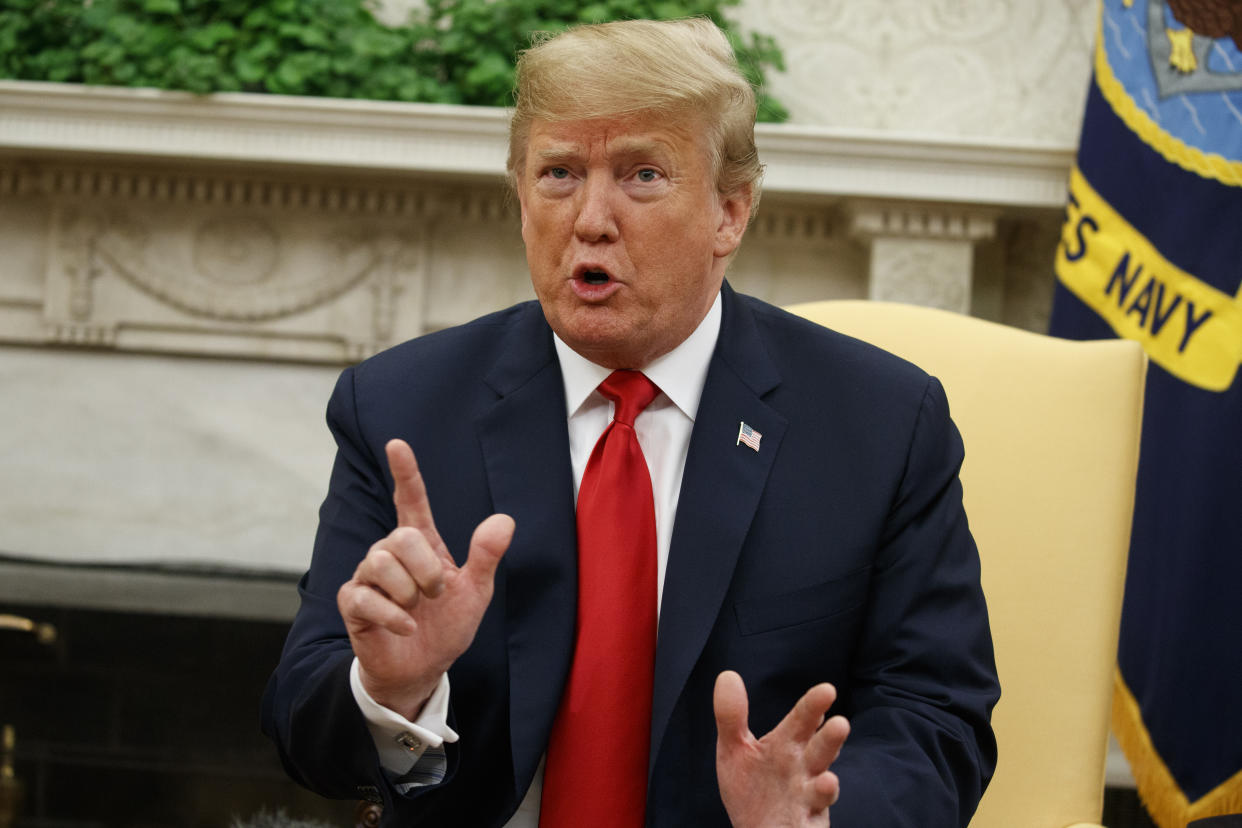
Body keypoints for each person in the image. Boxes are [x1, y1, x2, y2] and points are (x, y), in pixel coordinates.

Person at [262, 17, 999, 828]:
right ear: (520, 196)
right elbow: (304, 725)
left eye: (642, 175)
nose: (591, 219)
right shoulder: (402, 408)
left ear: (730, 212)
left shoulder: (880, 425)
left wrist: (820, 819)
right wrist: (391, 692)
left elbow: (936, 716)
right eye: (559, 173)